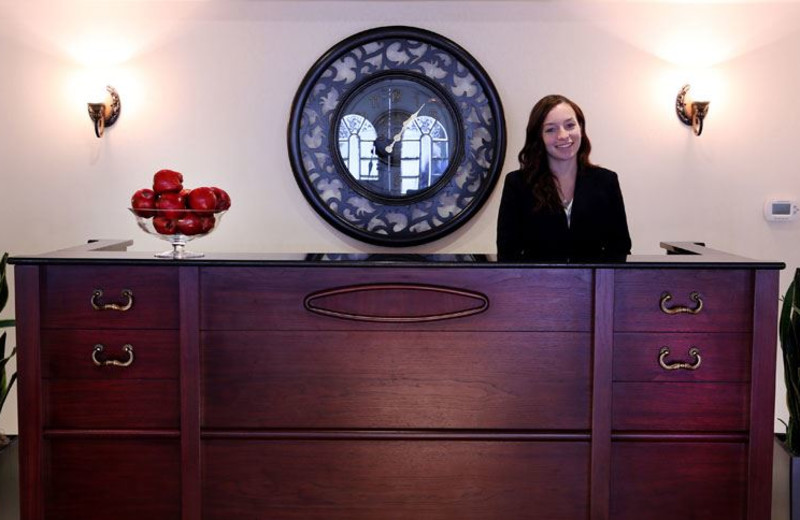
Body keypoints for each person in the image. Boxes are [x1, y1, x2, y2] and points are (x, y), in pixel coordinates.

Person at [496, 94, 631, 261]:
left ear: (580, 127)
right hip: (535, 285)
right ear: (539, 136)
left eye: (569, 125)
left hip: (595, 285)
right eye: (551, 129)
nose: (563, 135)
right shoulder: (517, 184)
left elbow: (620, 246)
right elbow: (507, 251)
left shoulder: (606, 181)